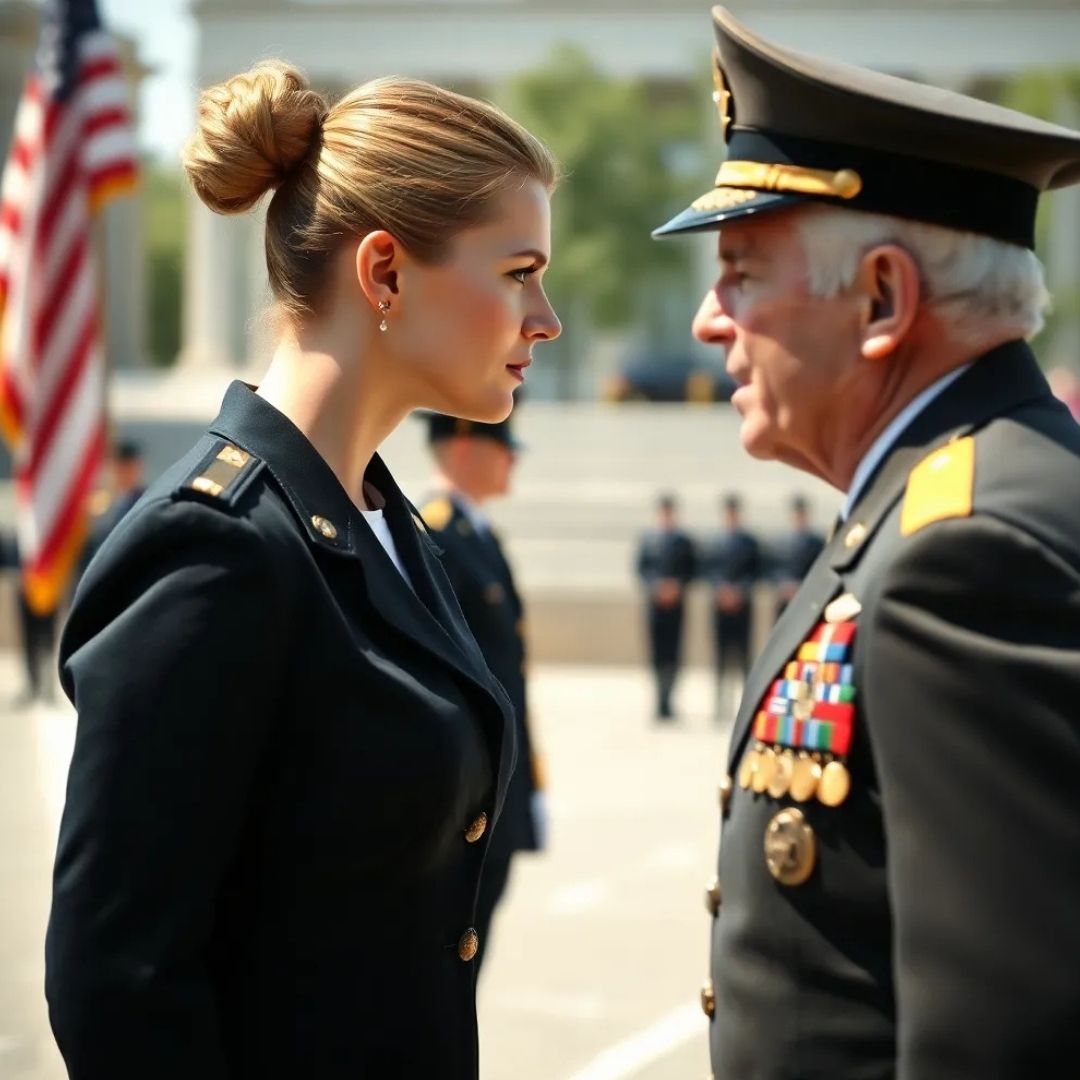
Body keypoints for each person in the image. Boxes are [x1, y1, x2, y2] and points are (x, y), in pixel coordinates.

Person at [45, 62, 560, 1080]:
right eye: (518, 272)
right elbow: (118, 982)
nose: (545, 317)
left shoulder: (387, 527)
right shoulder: (217, 548)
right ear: (386, 272)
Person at [654, 9, 1080, 1077]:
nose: (709, 319)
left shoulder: (968, 551)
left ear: (883, 297)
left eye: (743, 271)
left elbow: (1007, 1042)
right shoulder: (965, 493)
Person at [420, 412, 545, 975]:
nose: (513, 457)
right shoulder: (436, 535)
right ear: (465, 445)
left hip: (497, 785)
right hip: (465, 799)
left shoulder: (481, 535)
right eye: (504, 445)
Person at [635, 493, 697, 721]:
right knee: (656, 654)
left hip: (676, 606)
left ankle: (670, 699)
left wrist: (676, 587)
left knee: (674, 654)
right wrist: (657, 587)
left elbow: (692, 570)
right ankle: (659, 700)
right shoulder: (648, 540)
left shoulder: (684, 542)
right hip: (655, 606)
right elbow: (641, 570)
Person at [704, 492, 761, 718]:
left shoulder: (749, 542)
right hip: (720, 606)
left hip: (742, 606)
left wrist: (740, 591)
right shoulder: (714, 542)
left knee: (744, 655)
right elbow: (707, 571)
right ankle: (720, 705)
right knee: (720, 656)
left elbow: (756, 571)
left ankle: (745, 705)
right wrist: (721, 589)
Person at [1, 531, 57, 707]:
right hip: (25, 581)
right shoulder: (20, 525)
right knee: (28, 636)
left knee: (47, 635)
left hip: (49, 581)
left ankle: (48, 685)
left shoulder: (46, 522)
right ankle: (32, 684)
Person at [78, 439, 147, 576]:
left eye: (128, 467)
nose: (123, 473)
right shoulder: (100, 502)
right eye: (119, 467)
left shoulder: (145, 501)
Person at [770, 494, 825, 622]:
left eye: (802, 515)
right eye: (797, 515)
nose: (799, 518)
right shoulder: (780, 542)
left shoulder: (817, 543)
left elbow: (820, 569)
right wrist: (784, 584)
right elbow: (772, 568)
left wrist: (801, 586)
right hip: (784, 597)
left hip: (807, 597)